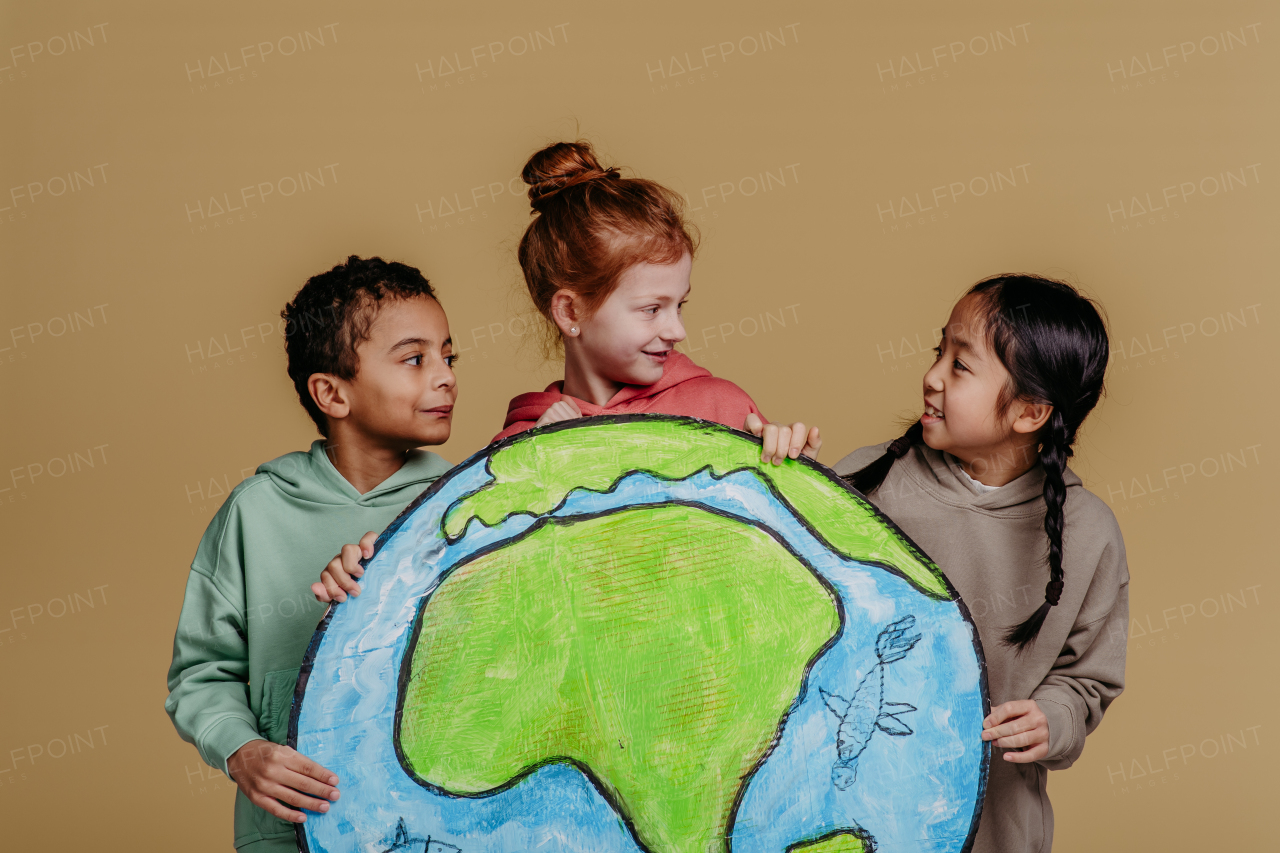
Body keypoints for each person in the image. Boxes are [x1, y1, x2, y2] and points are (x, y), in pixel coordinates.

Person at [313, 141, 820, 604]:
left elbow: (787, 561)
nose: (677, 329)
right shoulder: (517, 445)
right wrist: (364, 569)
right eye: (651, 309)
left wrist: (794, 473)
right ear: (570, 313)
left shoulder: (723, 410)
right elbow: (482, 594)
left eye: (680, 305)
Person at [165, 256, 459, 853]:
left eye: (449, 357)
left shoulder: (464, 510)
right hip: (284, 836)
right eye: (414, 359)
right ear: (332, 393)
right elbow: (200, 674)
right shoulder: (254, 513)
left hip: (438, 834)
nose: (446, 376)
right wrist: (242, 751)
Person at [834, 274, 1128, 853]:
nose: (932, 376)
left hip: (996, 828)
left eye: (961, 365)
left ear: (1029, 412)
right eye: (937, 351)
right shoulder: (865, 484)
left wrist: (1052, 718)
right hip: (856, 815)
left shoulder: (1089, 533)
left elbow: (1087, 678)